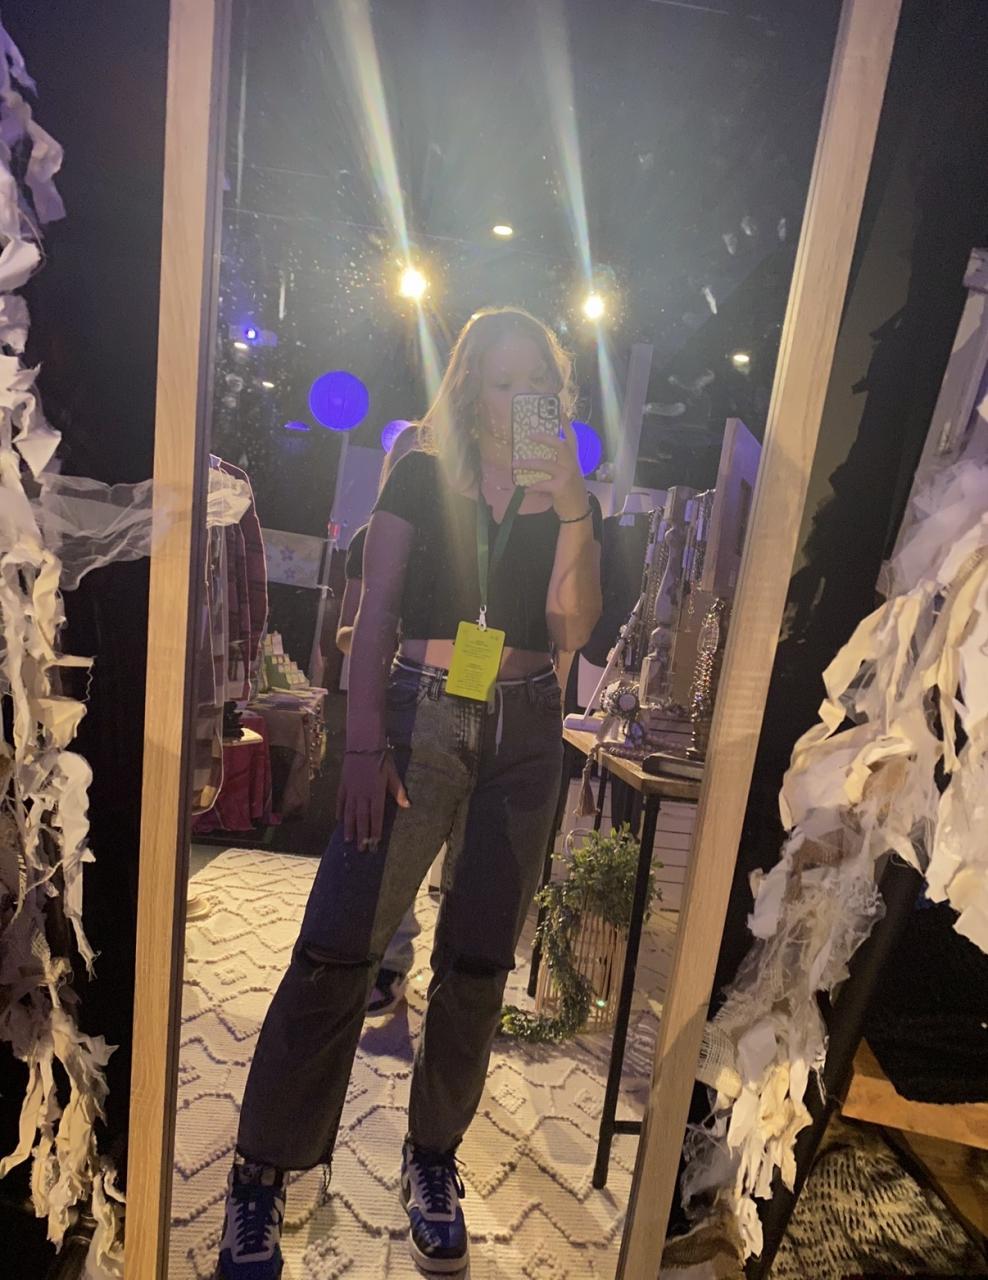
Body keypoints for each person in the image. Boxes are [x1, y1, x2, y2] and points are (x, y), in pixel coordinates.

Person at [217, 307, 602, 1278]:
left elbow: (572, 626)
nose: (524, 399)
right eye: (506, 381)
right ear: (470, 385)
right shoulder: (424, 474)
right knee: (338, 943)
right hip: (418, 715)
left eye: (541, 383)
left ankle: (432, 1158)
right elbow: (377, 607)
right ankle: (263, 1171)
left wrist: (571, 506)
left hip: (526, 730)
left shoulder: (566, 494)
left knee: (478, 966)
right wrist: (359, 744)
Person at [337, 424, 426, 1016]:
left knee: (407, 829)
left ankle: (394, 957)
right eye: (410, 458)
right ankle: (383, 957)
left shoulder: (451, 541)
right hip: (380, 695)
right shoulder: (368, 538)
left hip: (426, 695)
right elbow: (346, 632)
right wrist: (379, 637)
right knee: (377, 830)